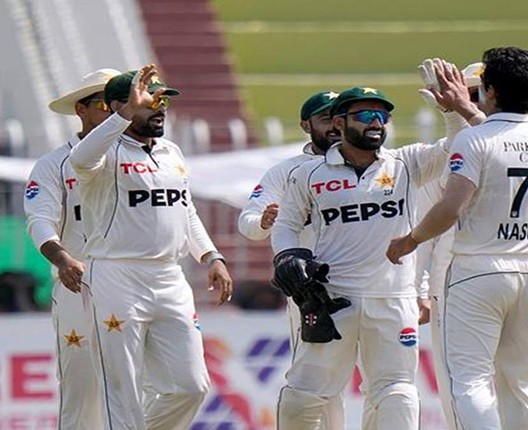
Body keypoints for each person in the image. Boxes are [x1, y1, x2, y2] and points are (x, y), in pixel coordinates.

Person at [271, 72, 476, 430]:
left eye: (382, 115)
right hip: (333, 298)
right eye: (365, 115)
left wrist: (452, 112)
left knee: (397, 393)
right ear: (339, 122)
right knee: (302, 397)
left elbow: (457, 147)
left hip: (393, 300)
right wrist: (288, 256)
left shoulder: (406, 163)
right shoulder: (308, 174)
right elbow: (286, 223)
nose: (376, 123)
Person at [387, 46, 528, 429]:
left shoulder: (473, 141)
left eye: (477, 90)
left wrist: (410, 241)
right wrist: (461, 113)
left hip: (477, 270)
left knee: (469, 382)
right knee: (521, 385)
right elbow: (497, 139)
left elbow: (449, 208)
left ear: (491, 92)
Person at [68, 64, 234, 430]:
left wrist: (211, 255)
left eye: (163, 101)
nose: (159, 109)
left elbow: (184, 209)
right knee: (123, 387)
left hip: (169, 276)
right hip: (116, 275)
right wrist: (126, 113)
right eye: (150, 101)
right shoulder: (104, 152)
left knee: (190, 387)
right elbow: (79, 159)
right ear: (119, 106)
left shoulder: (172, 152)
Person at [238, 90, 346, 430]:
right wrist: (263, 222)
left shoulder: (374, 163)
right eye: (325, 118)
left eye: (340, 117)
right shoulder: (285, 172)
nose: (335, 125)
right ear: (305, 125)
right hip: (311, 289)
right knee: (317, 381)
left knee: (382, 379)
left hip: (370, 282)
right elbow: (248, 223)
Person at [23, 67, 120, 428]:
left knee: (143, 386)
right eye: (105, 105)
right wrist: (62, 258)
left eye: (121, 103)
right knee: (82, 388)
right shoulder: (53, 164)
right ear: (81, 109)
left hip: (132, 282)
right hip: (78, 283)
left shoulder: (140, 160)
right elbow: (39, 219)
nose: (115, 113)